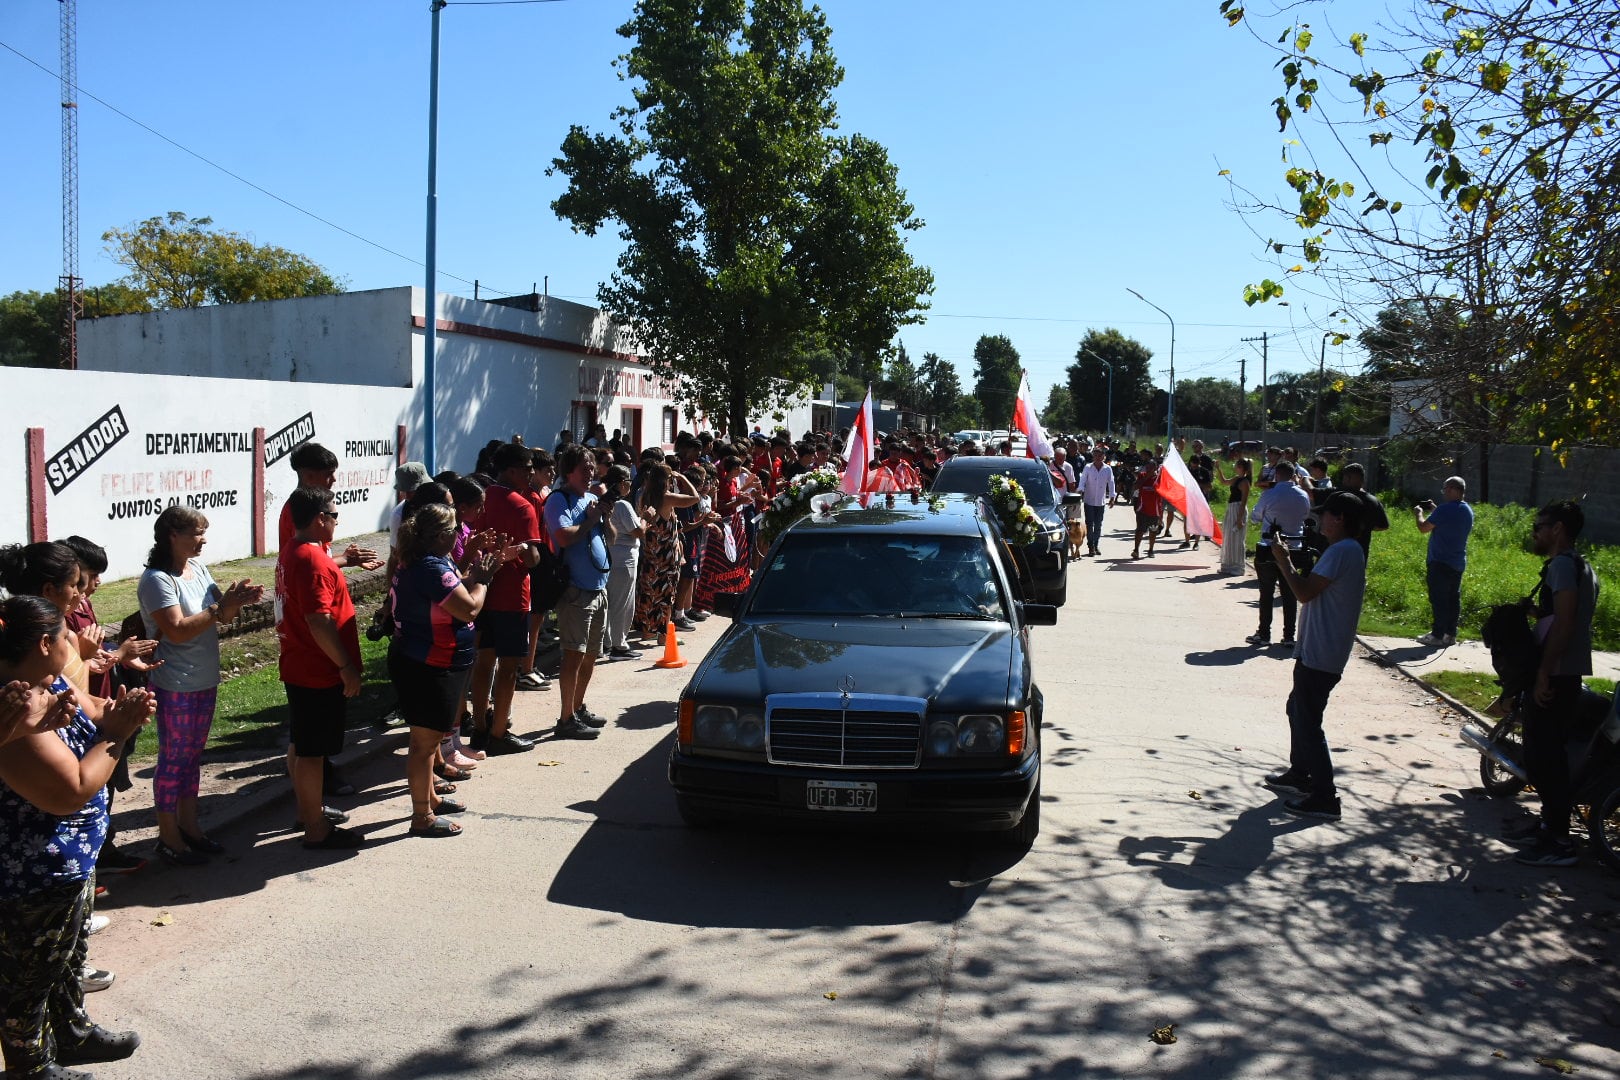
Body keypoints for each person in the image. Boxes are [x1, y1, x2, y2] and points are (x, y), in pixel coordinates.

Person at [0, 593, 153, 1077]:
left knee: (66, 959)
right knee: (31, 976)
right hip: (37, 870)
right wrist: (118, 735)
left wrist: (117, 709)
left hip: (71, 860)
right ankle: (31, 1065)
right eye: (66, 634)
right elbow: (69, 791)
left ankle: (71, 1034)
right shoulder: (14, 705)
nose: (76, 641)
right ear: (45, 643)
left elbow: (95, 709)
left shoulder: (48, 682)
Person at [137, 507, 264, 865]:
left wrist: (234, 602)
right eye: (195, 533)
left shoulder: (199, 569)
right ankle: (168, 836)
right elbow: (176, 630)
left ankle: (191, 829)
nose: (203, 539)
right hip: (174, 683)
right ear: (171, 536)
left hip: (203, 679)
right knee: (173, 761)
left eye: (203, 532)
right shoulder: (156, 580)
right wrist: (219, 607)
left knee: (191, 760)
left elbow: (221, 616)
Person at [387, 503, 499, 839]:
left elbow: (450, 592)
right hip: (427, 665)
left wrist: (471, 576)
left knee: (429, 738)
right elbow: (468, 608)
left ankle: (431, 799)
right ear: (440, 535)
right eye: (455, 530)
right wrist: (483, 580)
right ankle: (421, 816)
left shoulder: (428, 563)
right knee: (423, 744)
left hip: (433, 662)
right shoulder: (431, 568)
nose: (459, 534)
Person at [1260, 491, 1368, 820]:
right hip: (1318, 648)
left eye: (1326, 515)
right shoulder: (1343, 550)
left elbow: (1304, 593)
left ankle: (1324, 796)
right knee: (1298, 710)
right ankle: (1300, 774)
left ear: (1341, 519)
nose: (1320, 520)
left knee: (1308, 722)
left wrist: (1283, 560)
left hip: (1323, 651)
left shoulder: (1343, 551)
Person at [1511, 500, 1601, 867]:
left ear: (1558, 529)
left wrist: (1544, 672)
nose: (1535, 532)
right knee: (1543, 754)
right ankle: (1549, 826)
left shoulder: (1563, 566)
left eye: (1539, 525)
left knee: (1547, 758)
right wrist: (1535, 613)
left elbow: (1564, 624)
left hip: (1558, 673)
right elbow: (1565, 617)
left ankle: (1560, 842)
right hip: (1563, 670)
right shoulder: (1581, 565)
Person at [276, 486, 366, 850]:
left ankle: (307, 811)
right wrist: (345, 665)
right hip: (317, 669)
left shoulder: (293, 551)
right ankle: (316, 827)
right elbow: (319, 620)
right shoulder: (313, 560)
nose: (336, 522)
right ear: (319, 519)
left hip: (300, 664)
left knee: (302, 744)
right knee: (313, 752)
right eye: (334, 515)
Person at [466, 443, 545, 755]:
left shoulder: (482, 497)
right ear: (512, 470)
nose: (530, 473)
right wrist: (525, 552)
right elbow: (533, 558)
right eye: (527, 468)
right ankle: (499, 731)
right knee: (509, 665)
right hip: (512, 596)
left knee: (483, 661)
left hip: (479, 590)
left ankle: (480, 727)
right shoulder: (522, 506)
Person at [544, 446, 611, 740]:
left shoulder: (593, 499)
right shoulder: (558, 500)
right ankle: (566, 718)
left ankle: (578, 707)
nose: (590, 473)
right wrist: (589, 521)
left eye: (592, 468)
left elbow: (611, 538)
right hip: (575, 592)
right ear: (568, 471)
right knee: (573, 655)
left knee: (590, 655)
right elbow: (562, 536)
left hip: (598, 588)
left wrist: (604, 518)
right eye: (584, 468)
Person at [1247, 464, 1313, 646]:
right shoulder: (1302, 495)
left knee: (1266, 592)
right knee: (1290, 592)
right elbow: (1305, 515)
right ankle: (1289, 636)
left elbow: (1256, 516)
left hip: (1269, 546)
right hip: (1294, 547)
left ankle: (1264, 633)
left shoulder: (1269, 494)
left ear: (1276, 475)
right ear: (1293, 475)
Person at [634, 462, 702, 638]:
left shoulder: (644, 497)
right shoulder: (667, 497)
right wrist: (683, 478)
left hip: (651, 552)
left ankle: (647, 632)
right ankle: (664, 635)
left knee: (649, 592)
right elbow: (695, 498)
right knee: (666, 594)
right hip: (666, 555)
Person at [1413, 476, 1474, 647]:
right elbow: (1448, 519)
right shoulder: (1467, 510)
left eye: (1446, 489)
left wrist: (1419, 513)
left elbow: (1423, 528)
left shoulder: (1444, 510)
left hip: (1440, 561)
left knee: (1438, 599)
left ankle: (1437, 635)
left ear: (1454, 489)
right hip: (1457, 562)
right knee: (1453, 599)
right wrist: (1435, 508)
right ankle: (1450, 634)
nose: (1444, 492)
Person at [601, 465, 644, 660]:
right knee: (623, 604)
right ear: (621, 483)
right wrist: (647, 519)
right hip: (624, 559)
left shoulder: (608, 502)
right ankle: (619, 644)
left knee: (612, 603)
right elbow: (638, 532)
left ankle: (609, 642)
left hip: (612, 557)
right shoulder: (622, 505)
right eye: (628, 481)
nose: (629, 485)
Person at [1337, 463, 1389, 555]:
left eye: (1344, 478)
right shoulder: (1373, 501)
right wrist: (1366, 527)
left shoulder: (1338, 496)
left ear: (1349, 478)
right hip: (1360, 553)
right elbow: (1383, 525)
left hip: (1336, 552)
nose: (1343, 481)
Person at [1077, 448, 1115, 558]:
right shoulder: (1088, 467)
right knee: (1090, 524)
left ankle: (1096, 544)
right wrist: (1080, 490)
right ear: (1093, 456)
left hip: (1100, 502)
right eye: (1096, 455)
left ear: (1104, 457)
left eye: (1100, 455)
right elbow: (1082, 481)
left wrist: (1112, 497)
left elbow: (1111, 483)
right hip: (1089, 501)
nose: (1098, 458)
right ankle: (1091, 546)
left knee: (1098, 525)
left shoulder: (1107, 469)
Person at [1130, 456, 1162, 560]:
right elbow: (1135, 487)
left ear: (1156, 468)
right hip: (1142, 509)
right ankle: (1136, 550)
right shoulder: (1141, 476)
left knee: (1153, 531)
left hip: (1154, 511)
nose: (1149, 470)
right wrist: (1145, 478)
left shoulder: (1159, 479)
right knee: (1140, 530)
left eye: (1151, 468)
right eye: (1147, 468)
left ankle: (1151, 549)